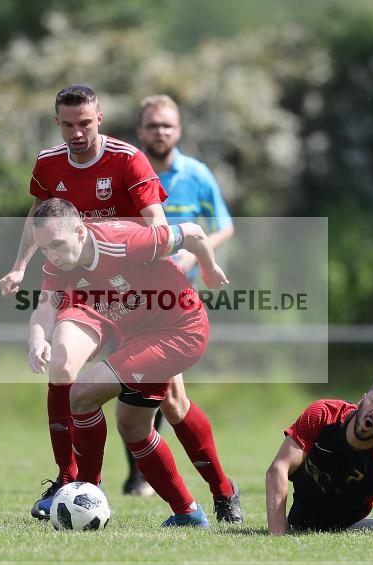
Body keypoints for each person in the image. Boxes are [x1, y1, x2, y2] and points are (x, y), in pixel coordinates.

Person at [0, 84, 241, 523]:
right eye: (68, 124)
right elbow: (40, 221)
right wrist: (21, 270)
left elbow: (178, 232)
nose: (76, 132)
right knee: (66, 372)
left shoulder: (129, 163)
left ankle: (220, 492)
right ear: (57, 123)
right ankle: (72, 483)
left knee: (170, 407)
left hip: (155, 304)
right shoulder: (51, 181)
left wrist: (195, 268)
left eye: (85, 123)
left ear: (100, 118)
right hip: (95, 291)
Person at [28, 198, 229, 527]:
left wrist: (208, 267)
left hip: (179, 331)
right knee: (133, 427)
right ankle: (188, 512)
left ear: (80, 232)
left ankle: (88, 489)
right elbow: (45, 308)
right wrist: (38, 338)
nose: (50, 256)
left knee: (82, 394)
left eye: (56, 245)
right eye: (43, 249)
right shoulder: (59, 262)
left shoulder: (121, 243)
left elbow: (193, 232)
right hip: (140, 337)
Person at [117, 95, 236, 497]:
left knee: (161, 390)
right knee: (148, 387)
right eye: (153, 126)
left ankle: (187, 486)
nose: (160, 132)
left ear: (179, 130)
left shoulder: (197, 174)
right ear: (140, 131)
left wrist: (194, 254)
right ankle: (154, 478)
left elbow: (223, 226)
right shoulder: (129, 171)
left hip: (177, 300)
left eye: (167, 125)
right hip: (130, 296)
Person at [265, 371, 373, 537]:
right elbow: (278, 469)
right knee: (299, 524)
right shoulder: (323, 414)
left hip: (345, 520)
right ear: (362, 399)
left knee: (321, 528)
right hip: (303, 511)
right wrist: (277, 536)